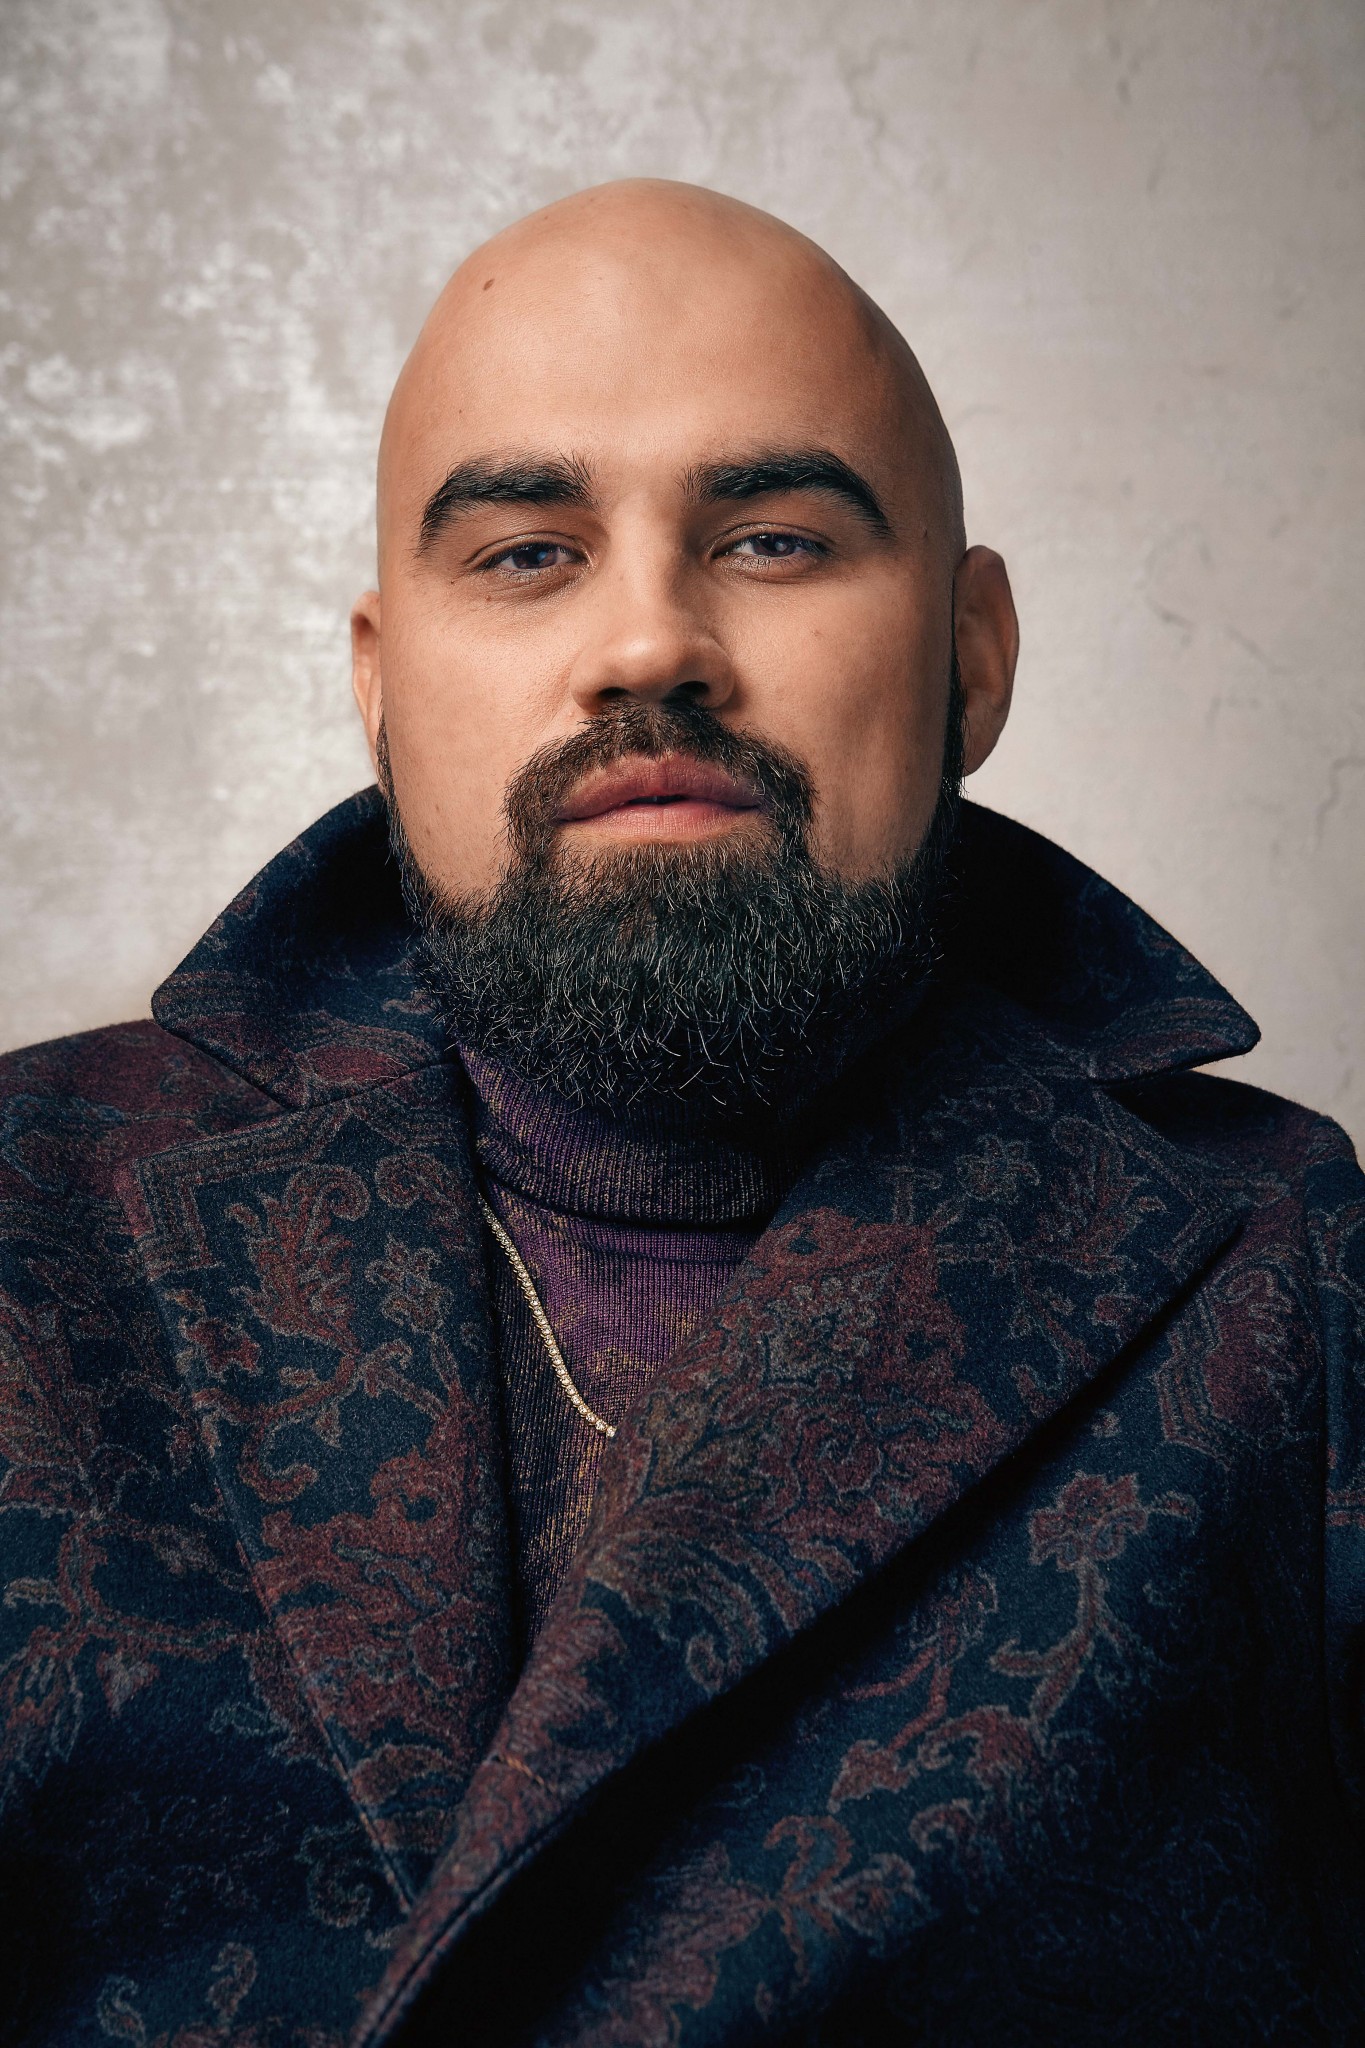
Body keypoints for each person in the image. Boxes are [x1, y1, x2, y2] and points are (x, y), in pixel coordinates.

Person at [1, 179, 1361, 2048]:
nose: (648, 643)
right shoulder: (29, 1222)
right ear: (379, 687)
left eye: (776, 540)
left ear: (970, 655)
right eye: (524, 553)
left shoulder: (1295, 1271)